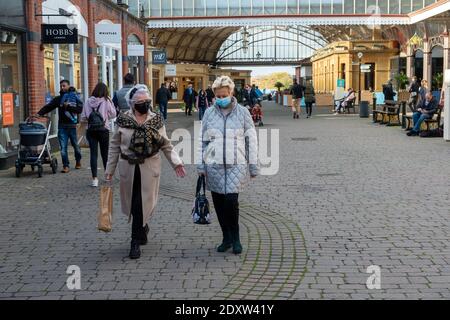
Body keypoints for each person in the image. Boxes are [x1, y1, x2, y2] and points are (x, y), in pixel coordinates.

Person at [105, 85, 186, 259]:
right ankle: (142, 228)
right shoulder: (122, 120)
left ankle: (134, 242)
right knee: (134, 204)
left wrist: (176, 163)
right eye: (140, 102)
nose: (145, 104)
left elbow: (166, 144)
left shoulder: (156, 119)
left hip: (149, 168)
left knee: (142, 204)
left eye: (147, 101)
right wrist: (109, 169)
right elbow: (114, 146)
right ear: (132, 104)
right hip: (128, 168)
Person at [197, 76, 260, 255]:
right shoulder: (209, 113)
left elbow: (251, 139)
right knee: (219, 204)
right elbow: (202, 140)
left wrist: (253, 165)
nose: (221, 98)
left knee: (231, 202)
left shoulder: (242, 112)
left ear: (231, 93)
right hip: (214, 165)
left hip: (236, 164)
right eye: (218, 96)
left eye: (224, 95)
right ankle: (226, 237)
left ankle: (236, 238)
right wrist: (201, 166)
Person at [37, 80, 83, 173]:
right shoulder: (59, 99)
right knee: (63, 148)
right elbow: (49, 106)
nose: (62, 87)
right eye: (61, 86)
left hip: (72, 126)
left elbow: (79, 110)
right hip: (62, 127)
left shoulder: (74, 97)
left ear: (68, 86)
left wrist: (67, 107)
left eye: (64, 86)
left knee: (76, 147)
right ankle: (66, 166)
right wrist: (39, 113)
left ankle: (78, 161)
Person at [81, 83, 117, 187]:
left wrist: (90, 119)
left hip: (91, 130)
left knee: (93, 154)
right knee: (105, 153)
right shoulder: (106, 100)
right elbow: (113, 114)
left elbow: (83, 117)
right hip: (103, 129)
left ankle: (94, 179)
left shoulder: (88, 101)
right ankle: (107, 176)